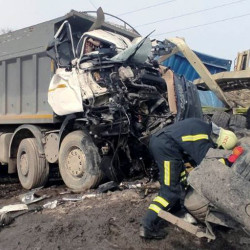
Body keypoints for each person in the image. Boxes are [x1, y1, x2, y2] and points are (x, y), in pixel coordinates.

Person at [140, 117, 238, 239]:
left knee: (180, 182)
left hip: (165, 146)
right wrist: (228, 161)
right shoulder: (202, 137)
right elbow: (207, 164)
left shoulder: (201, 126)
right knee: (170, 191)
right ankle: (147, 225)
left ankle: (175, 211)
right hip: (166, 148)